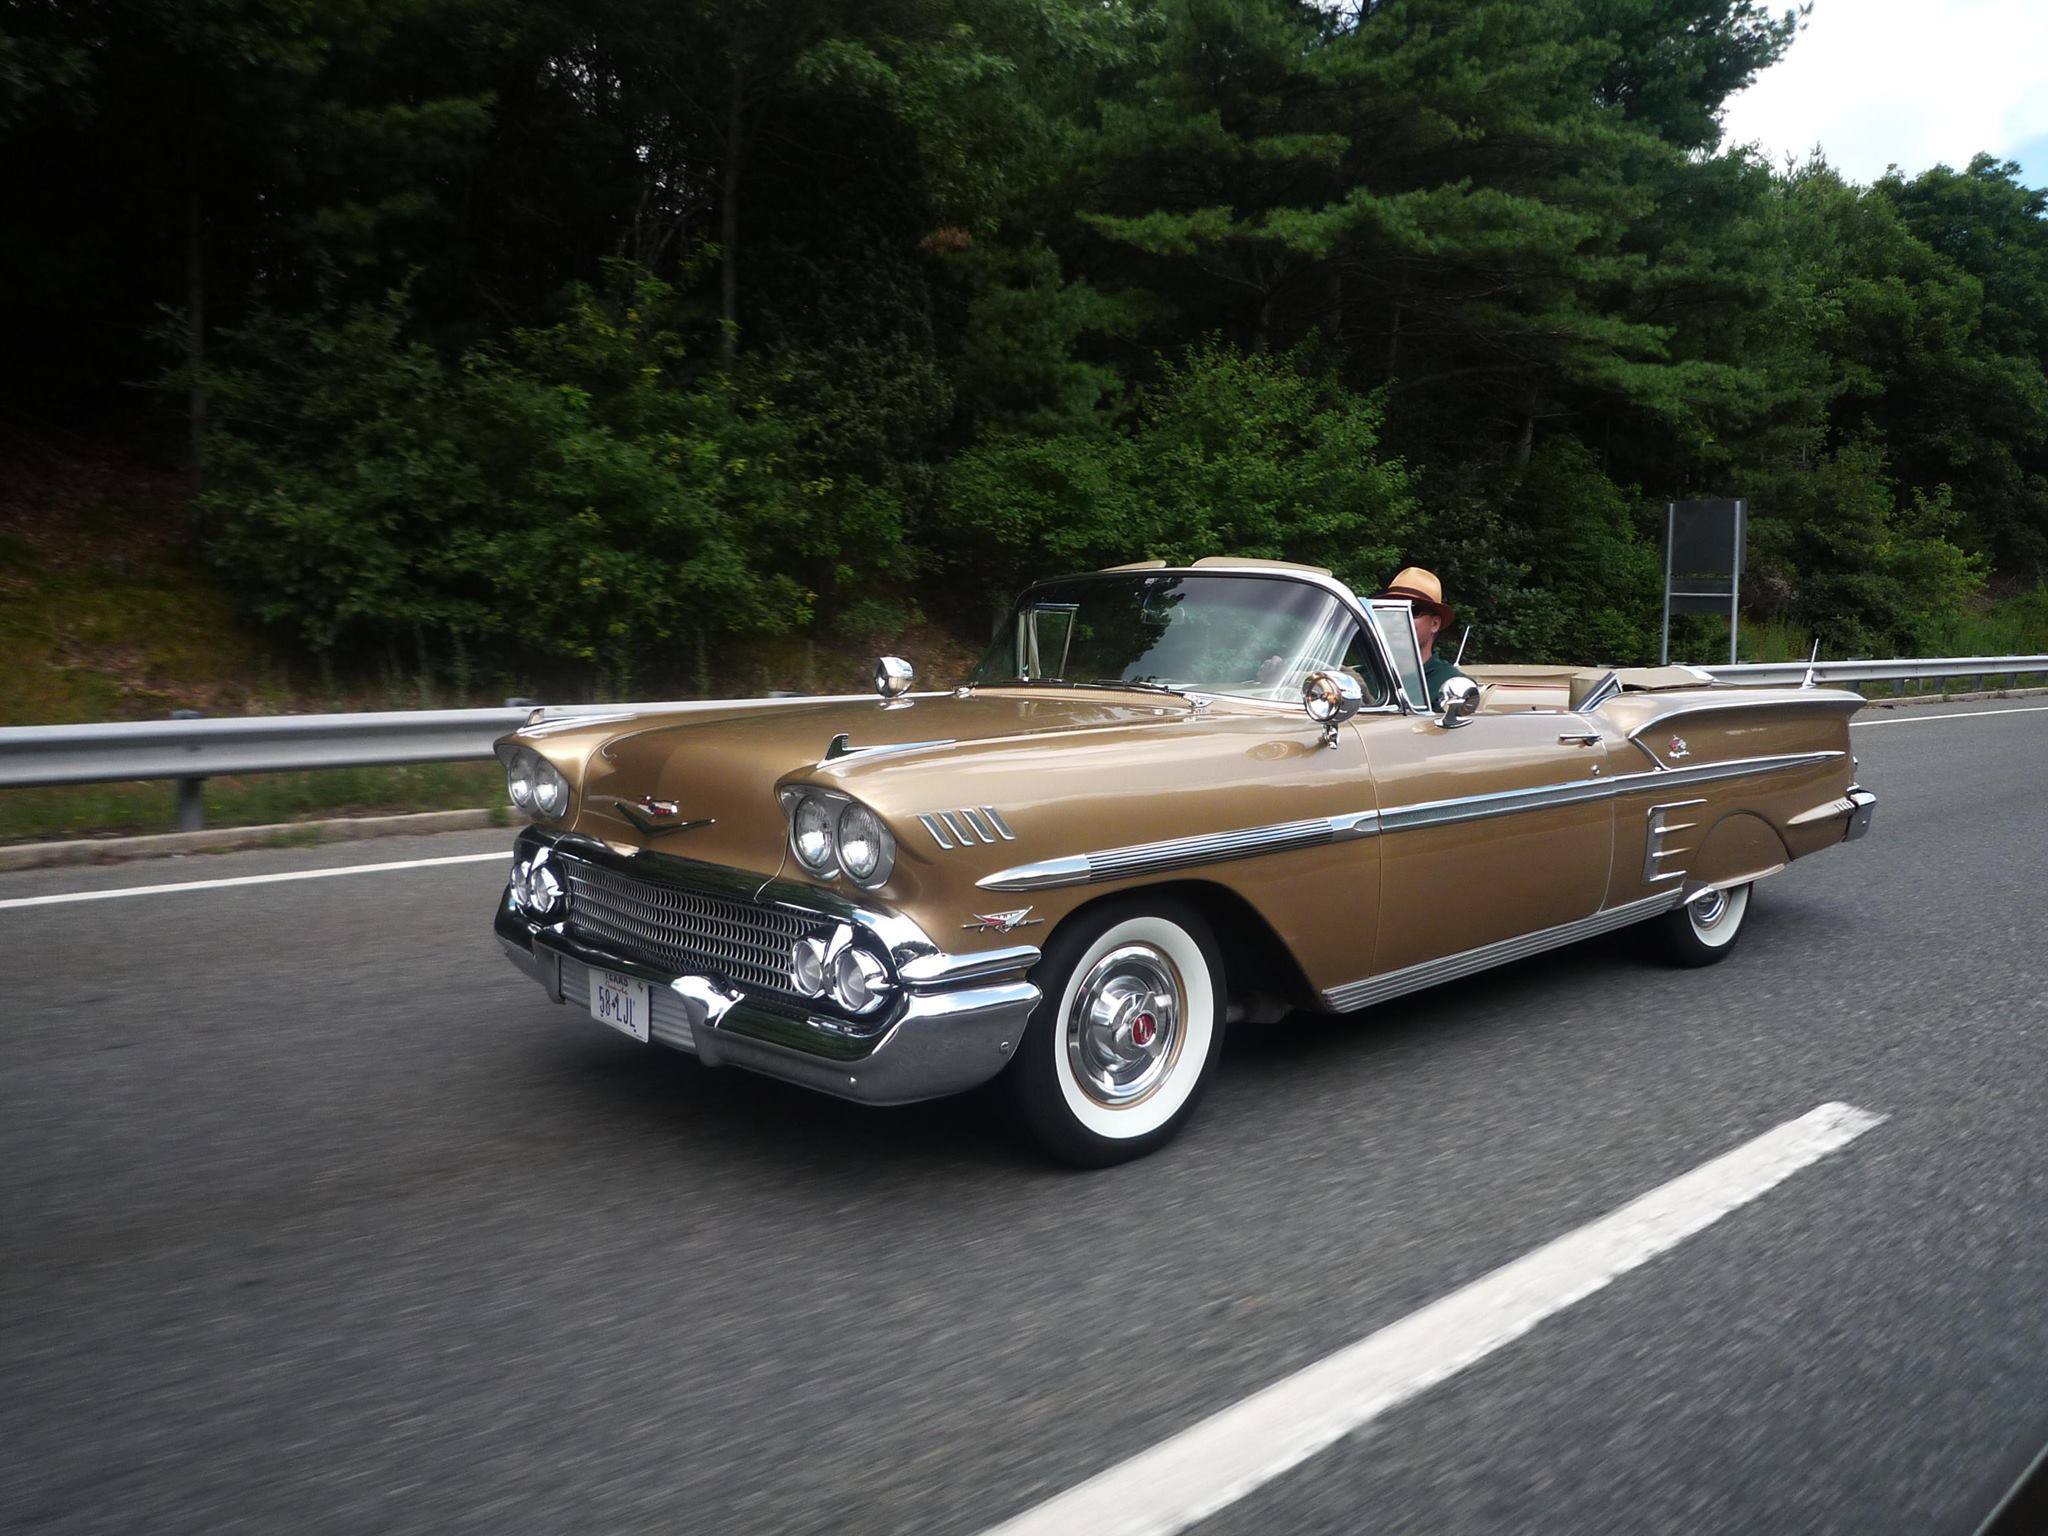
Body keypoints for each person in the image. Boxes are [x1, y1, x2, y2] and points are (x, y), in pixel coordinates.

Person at [1377, 566, 1470, 709]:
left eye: (1412, 609)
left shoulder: (1450, 684)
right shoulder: (1362, 676)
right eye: (1390, 608)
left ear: (1435, 624)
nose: (1397, 617)